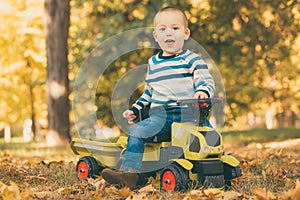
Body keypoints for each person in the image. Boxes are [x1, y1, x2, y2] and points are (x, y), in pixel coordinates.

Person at [102, 6, 215, 189]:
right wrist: (135, 110)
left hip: (189, 115)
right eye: (162, 29)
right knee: (136, 131)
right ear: (156, 36)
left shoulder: (192, 59)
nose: (168, 33)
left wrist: (202, 91)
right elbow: (149, 93)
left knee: (208, 140)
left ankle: (215, 167)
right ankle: (130, 174)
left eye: (175, 28)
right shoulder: (153, 63)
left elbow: (206, 80)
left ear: (186, 33)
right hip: (160, 117)